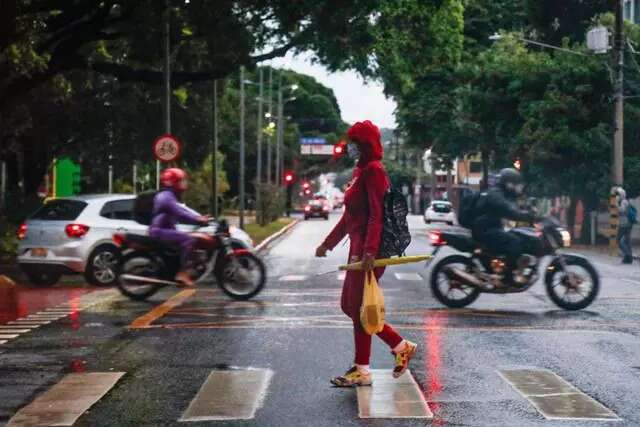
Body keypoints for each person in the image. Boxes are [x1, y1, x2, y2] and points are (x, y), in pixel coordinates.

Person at [315, 120, 417, 387]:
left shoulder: (374, 171)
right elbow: (350, 216)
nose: (351, 147)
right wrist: (328, 243)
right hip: (357, 249)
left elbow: (377, 215)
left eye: (355, 143)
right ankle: (399, 346)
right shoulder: (360, 171)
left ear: (365, 145)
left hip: (369, 251)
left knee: (359, 308)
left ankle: (365, 368)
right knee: (351, 306)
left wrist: (370, 251)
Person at [471, 168, 537, 285]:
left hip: (490, 227)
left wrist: (528, 211)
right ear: (509, 184)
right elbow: (510, 210)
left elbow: (513, 207)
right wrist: (527, 216)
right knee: (514, 242)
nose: (518, 188)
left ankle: (501, 267)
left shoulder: (501, 194)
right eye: (516, 185)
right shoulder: (496, 195)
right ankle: (507, 277)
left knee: (517, 236)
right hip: (485, 230)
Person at [149, 168, 211, 286]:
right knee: (189, 239)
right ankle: (182, 273)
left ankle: (180, 269)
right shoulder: (166, 197)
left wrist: (198, 218)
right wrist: (197, 220)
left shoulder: (169, 195)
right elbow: (179, 212)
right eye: (181, 181)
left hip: (165, 229)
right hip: (159, 231)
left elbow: (183, 210)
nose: (184, 183)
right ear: (173, 182)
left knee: (188, 239)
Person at [614, 187, 633, 264]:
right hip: (628, 223)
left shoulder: (623, 202)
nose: (617, 196)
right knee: (627, 241)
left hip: (624, 224)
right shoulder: (625, 201)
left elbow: (622, 210)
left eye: (618, 194)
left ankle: (627, 254)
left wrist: (616, 205)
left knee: (618, 240)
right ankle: (628, 258)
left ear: (621, 194)